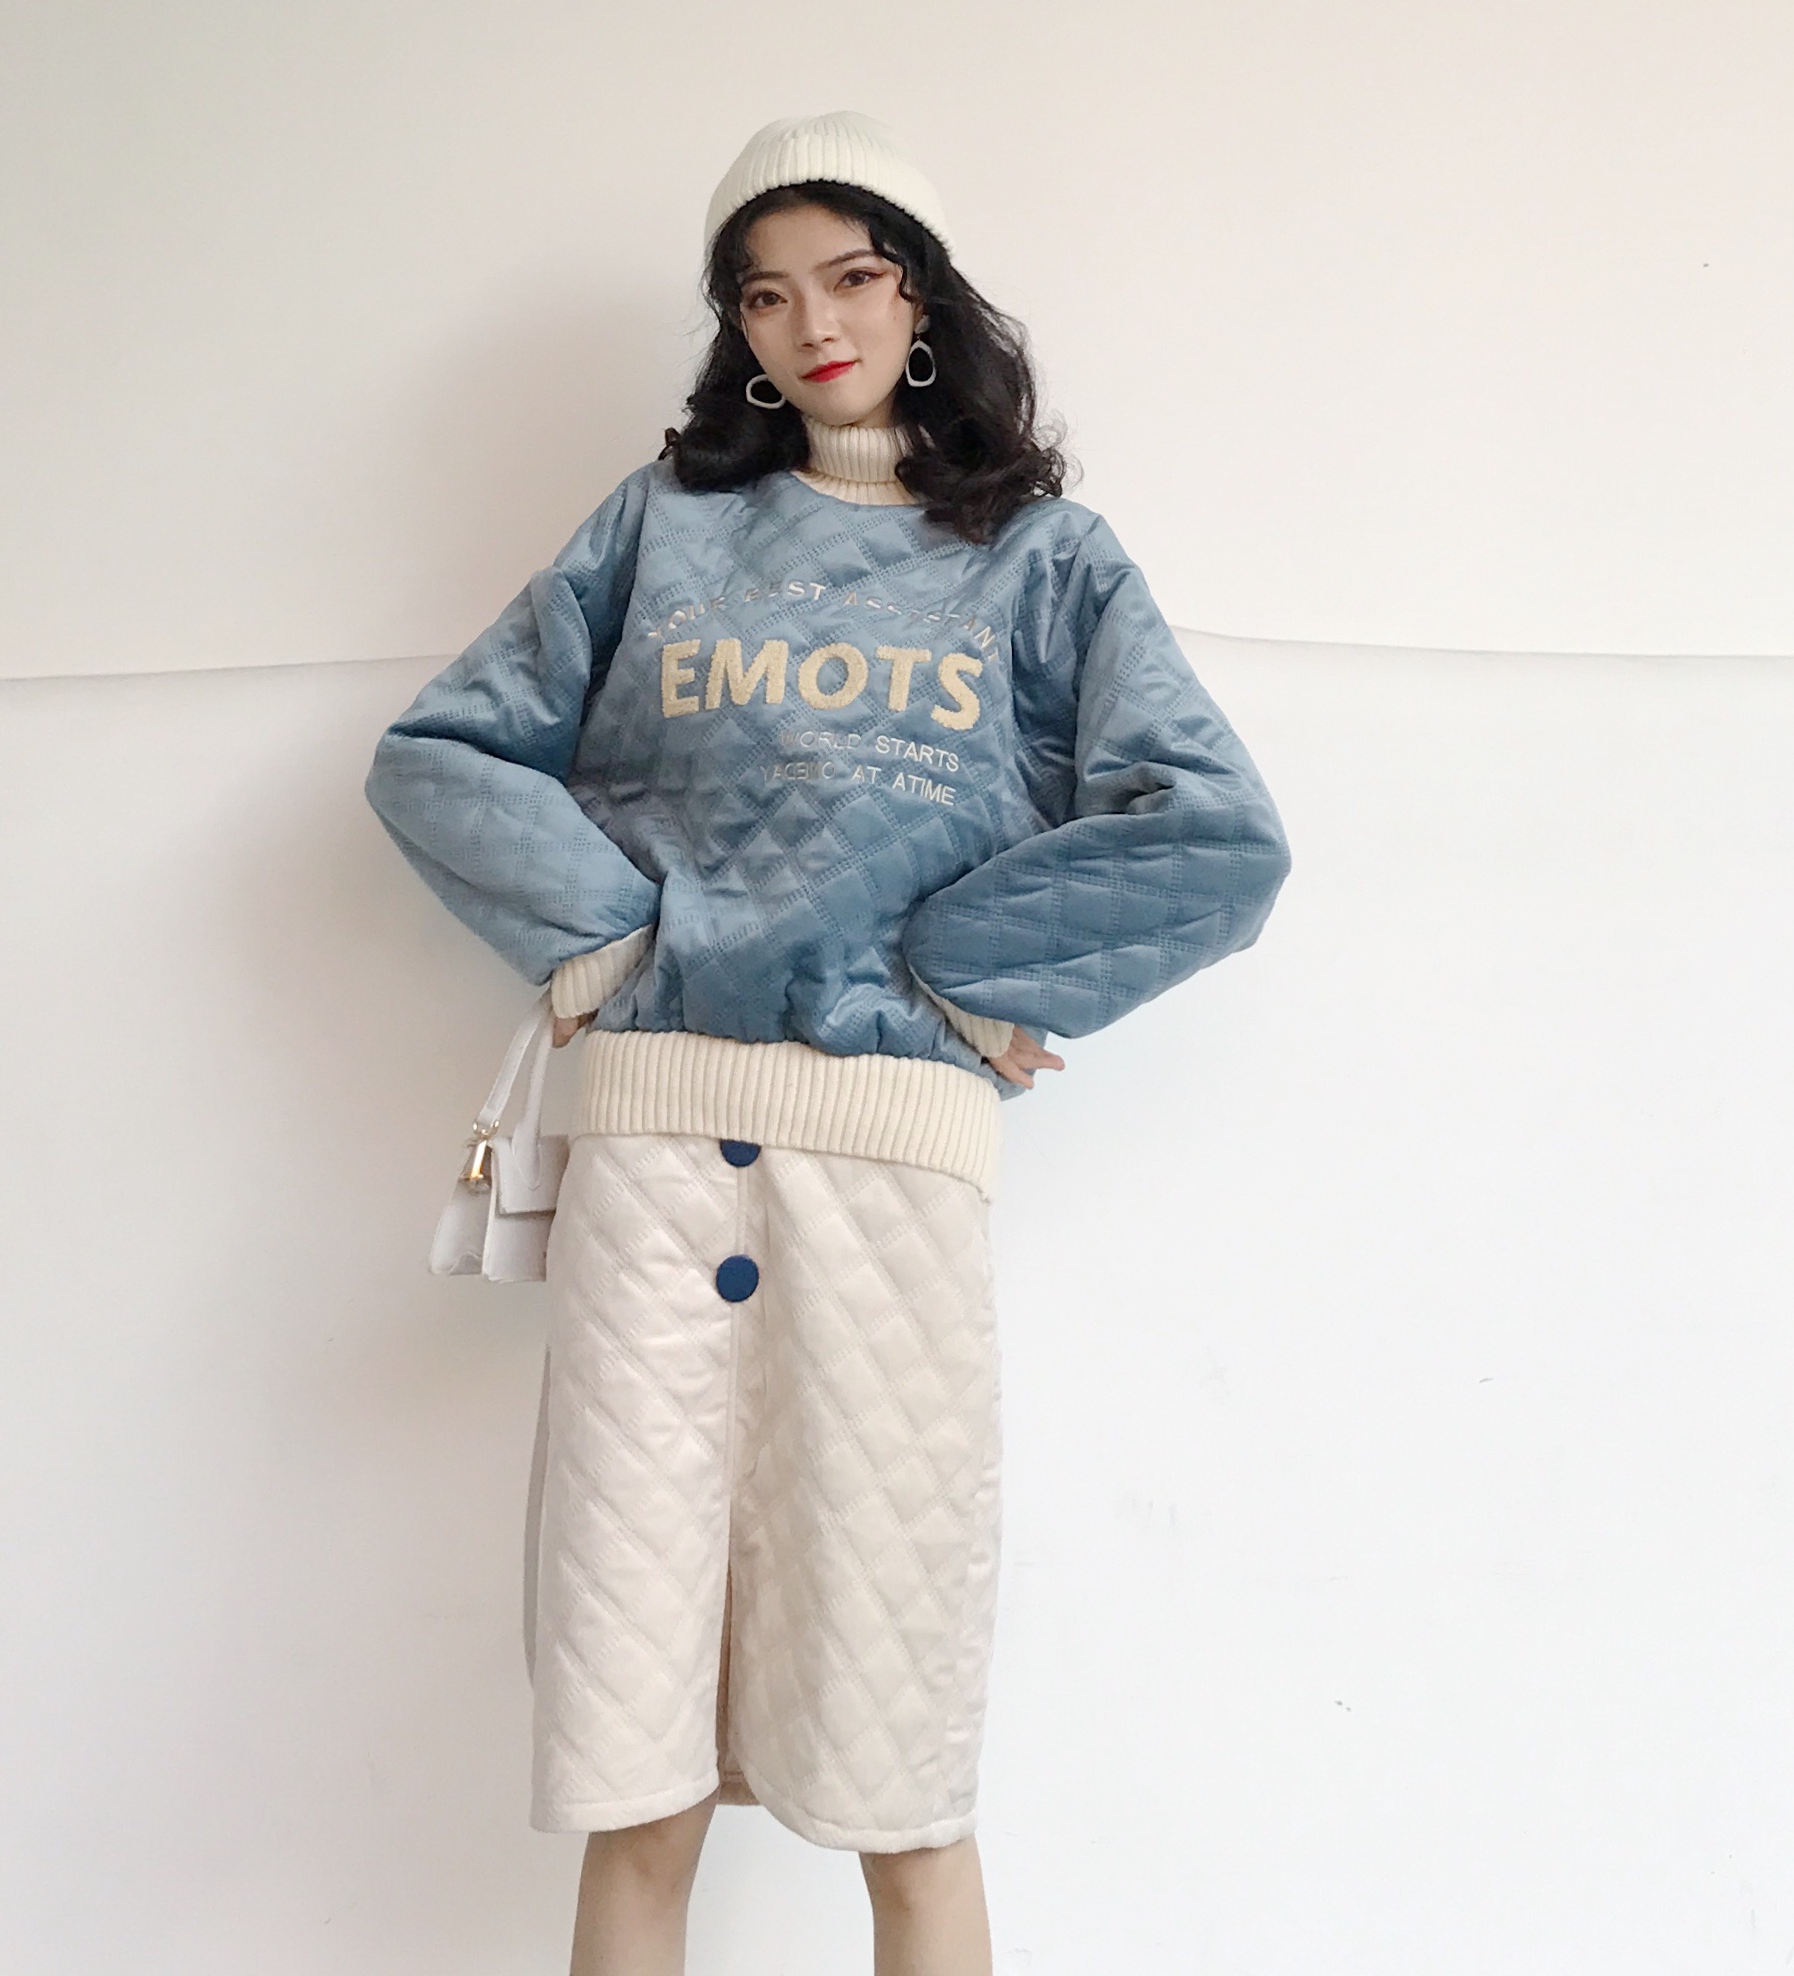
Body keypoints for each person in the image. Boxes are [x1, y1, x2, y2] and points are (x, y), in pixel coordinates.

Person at [365, 109, 1290, 1976]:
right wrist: (612, 935)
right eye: (767, 296)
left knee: (901, 1767)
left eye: (854, 278)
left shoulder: (1042, 559)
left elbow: (1215, 833)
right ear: (738, 328)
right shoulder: (664, 524)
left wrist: (979, 969)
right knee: (636, 1767)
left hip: (891, 1179)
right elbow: (441, 755)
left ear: (924, 298)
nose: (817, 326)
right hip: (652, 1168)